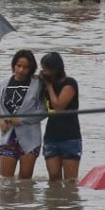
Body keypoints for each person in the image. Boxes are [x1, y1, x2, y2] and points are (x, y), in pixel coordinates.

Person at [0, 49, 47, 179]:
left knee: (25, 185)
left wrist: (22, 120)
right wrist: (0, 122)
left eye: (26, 67)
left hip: (30, 138)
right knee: (5, 182)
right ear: (13, 65)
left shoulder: (38, 84)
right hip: (8, 137)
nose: (21, 70)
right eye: (18, 66)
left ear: (31, 68)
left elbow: (44, 111)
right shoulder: (4, 84)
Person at [40, 52, 81, 181]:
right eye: (43, 69)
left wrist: (50, 86)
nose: (44, 72)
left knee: (70, 181)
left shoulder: (70, 83)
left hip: (70, 137)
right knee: (53, 178)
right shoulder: (45, 84)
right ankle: (55, 201)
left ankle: (68, 201)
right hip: (51, 136)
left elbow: (58, 106)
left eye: (46, 69)